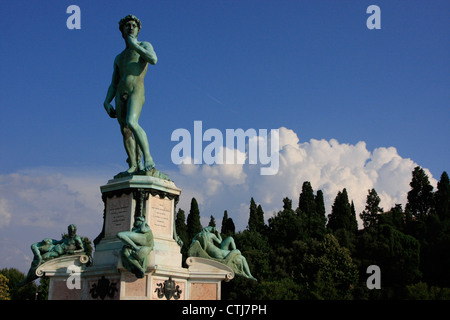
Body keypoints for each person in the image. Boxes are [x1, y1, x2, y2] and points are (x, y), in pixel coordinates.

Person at [103, 15, 158, 177]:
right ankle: (134, 164)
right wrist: (107, 101)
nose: (131, 27)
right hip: (121, 92)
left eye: (134, 25)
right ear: (122, 30)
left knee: (132, 122)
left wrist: (135, 46)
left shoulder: (143, 45)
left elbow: (153, 59)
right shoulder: (119, 57)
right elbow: (113, 83)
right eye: (127, 25)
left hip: (136, 89)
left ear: (138, 29)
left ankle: (148, 159)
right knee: (125, 130)